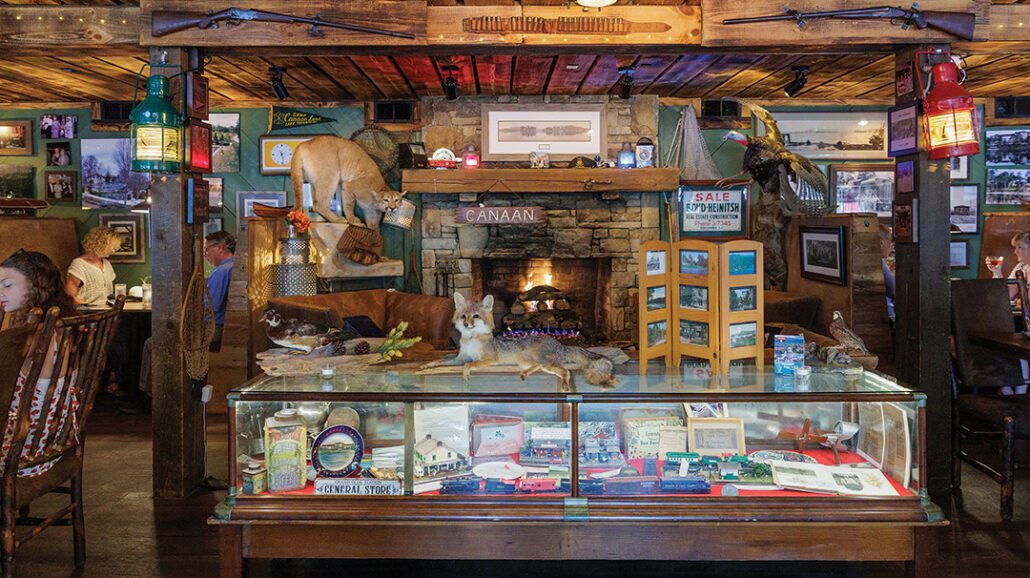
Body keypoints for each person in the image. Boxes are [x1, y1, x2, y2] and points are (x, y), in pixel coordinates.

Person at [0, 250, 80, 477]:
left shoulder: (35, 336)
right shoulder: (56, 325)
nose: (0, 293)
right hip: (51, 441)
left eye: (7, 285)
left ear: (37, 286)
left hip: (23, 447)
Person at [66, 226, 120, 307]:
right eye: (111, 246)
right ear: (99, 243)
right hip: (87, 314)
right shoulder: (79, 265)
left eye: (115, 247)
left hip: (107, 312)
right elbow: (69, 296)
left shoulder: (106, 264)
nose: (113, 250)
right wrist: (87, 307)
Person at [204, 230, 235, 351]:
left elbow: (211, 307)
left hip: (216, 329)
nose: (205, 254)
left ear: (220, 247)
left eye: (207, 249)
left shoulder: (221, 271)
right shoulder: (233, 266)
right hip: (225, 327)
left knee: (152, 344)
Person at [986, 230, 1030, 301]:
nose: (1015, 252)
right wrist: (997, 272)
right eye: (1015, 248)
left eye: (1020, 247)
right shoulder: (1021, 267)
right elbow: (1006, 296)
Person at [879, 224, 895, 324]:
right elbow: (893, 290)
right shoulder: (880, 263)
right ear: (881, 242)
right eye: (890, 241)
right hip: (887, 316)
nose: (892, 245)